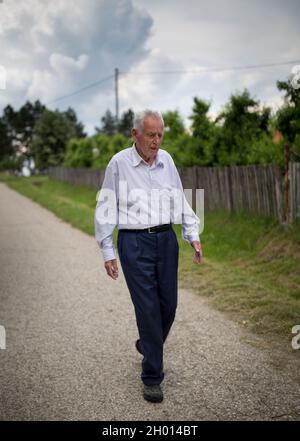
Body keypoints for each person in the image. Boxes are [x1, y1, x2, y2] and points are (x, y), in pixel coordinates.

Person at [94, 109, 202, 403]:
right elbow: (106, 206)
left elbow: (179, 197)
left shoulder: (166, 160)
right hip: (134, 242)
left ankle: (148, 343)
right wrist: (108, 250)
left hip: (166, 240)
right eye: (151, 135)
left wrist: (192, 233)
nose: (156, 141)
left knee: (169, 306)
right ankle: (152, 376)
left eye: (160, 135)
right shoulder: (118, 163)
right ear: (135, 134)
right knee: (148, 309)